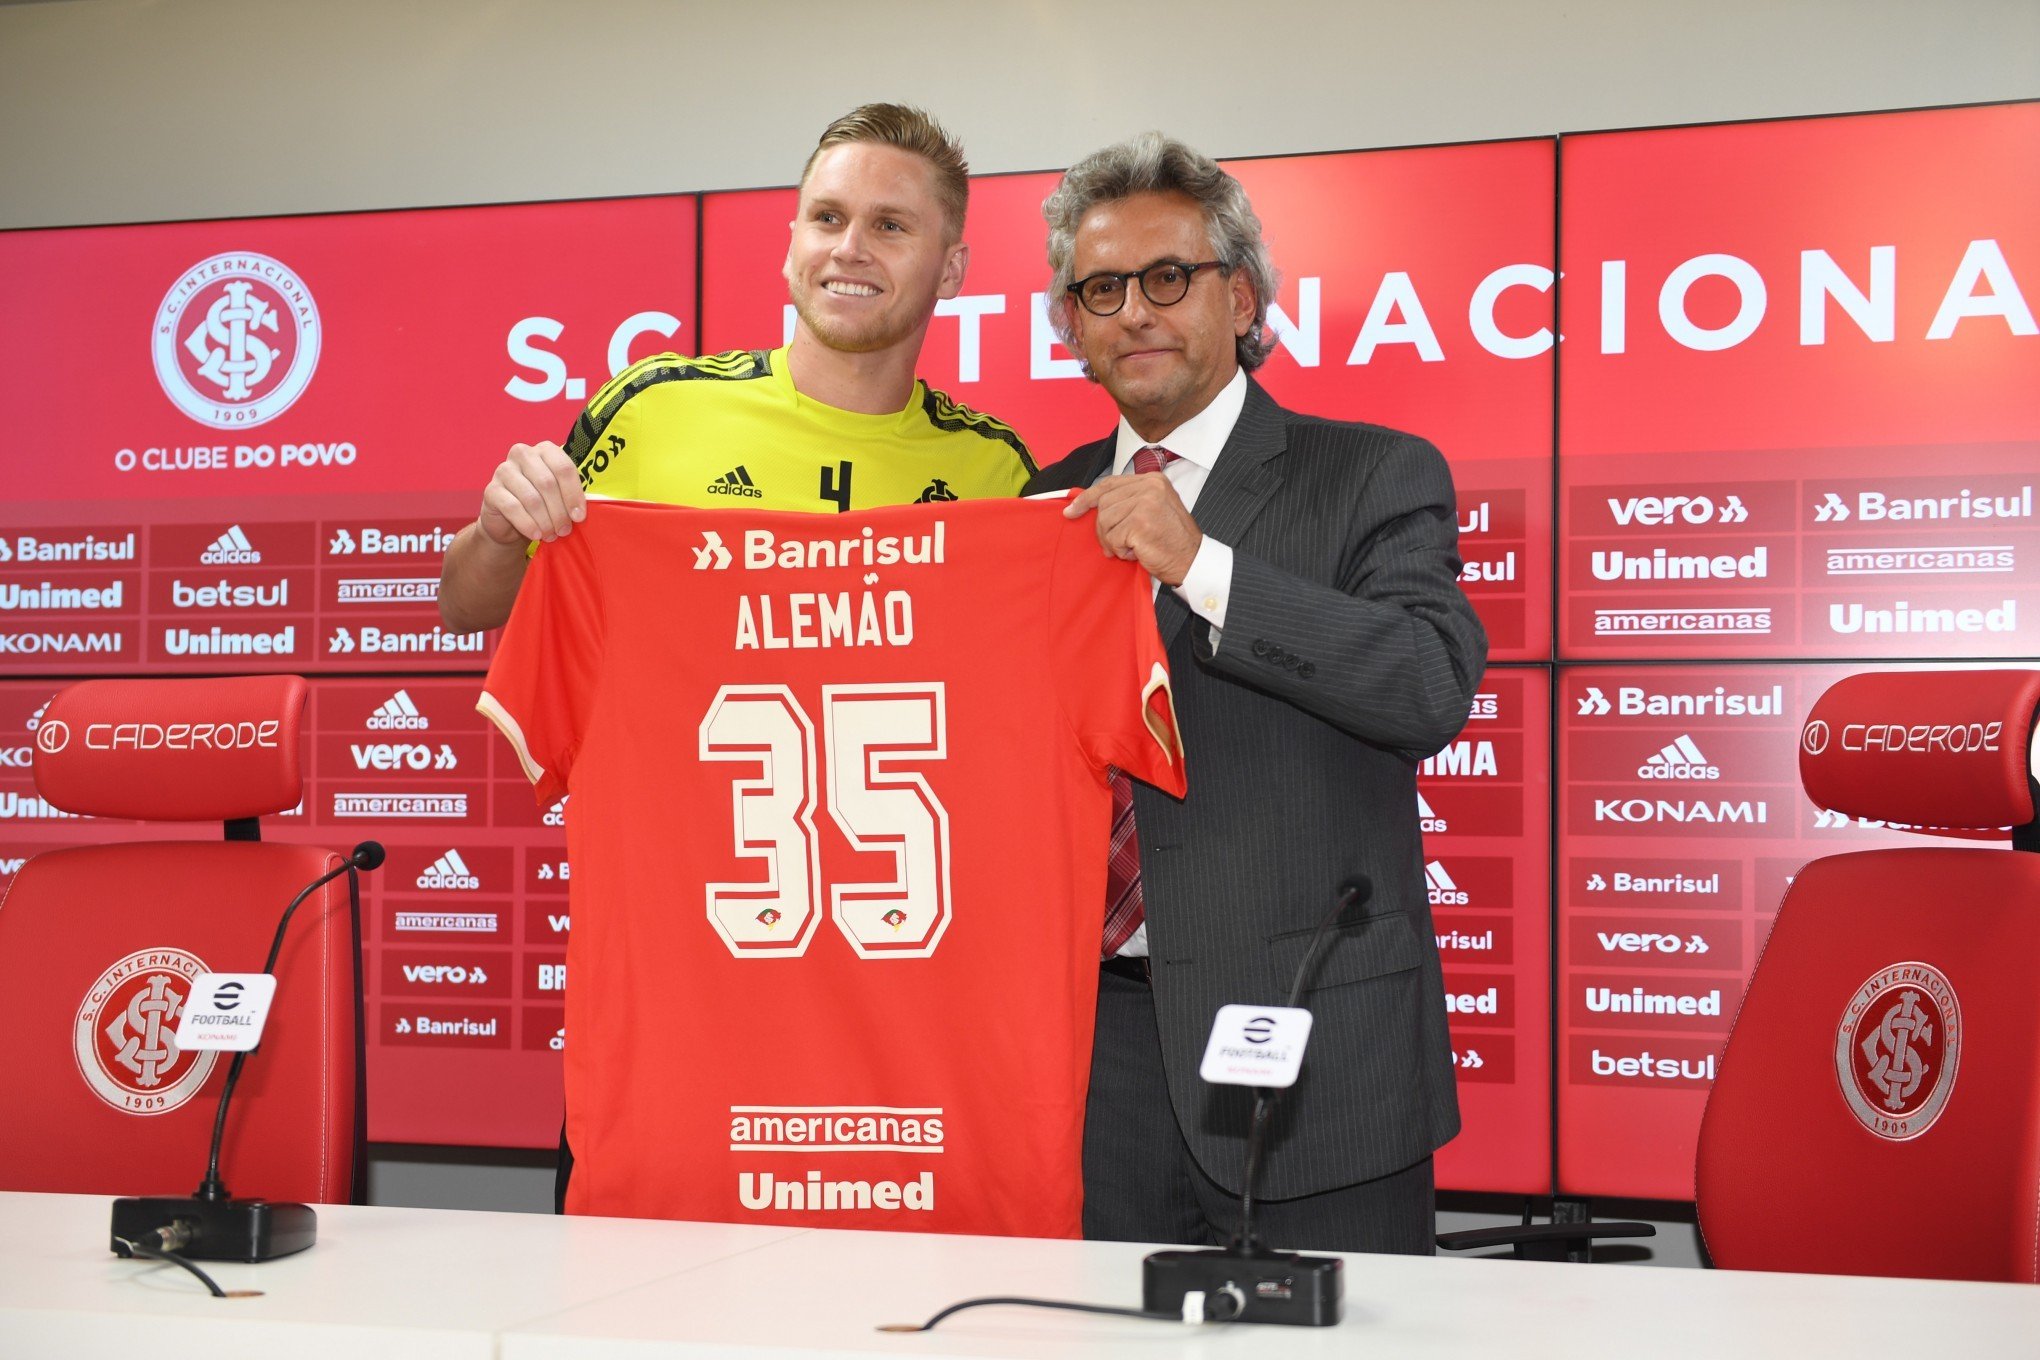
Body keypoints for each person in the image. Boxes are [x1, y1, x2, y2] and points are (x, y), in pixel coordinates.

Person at [1028, 132, 1487, 1254]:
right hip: (1095, 1060)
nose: (1136, 309)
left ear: (1242, 298)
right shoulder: (1036, 507)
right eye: (1101, 288)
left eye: (1170, 278)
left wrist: (1203, 567)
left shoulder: (1375, 473)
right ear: (1069, 328)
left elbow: (1428, 681)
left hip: (1316, 1055)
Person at [439, 102, 1035, 634]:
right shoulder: (654, 406)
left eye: (890, 226)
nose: (850, 248)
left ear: (951, 270)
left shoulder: (997, 471)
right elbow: (468, 611)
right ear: (791, 244)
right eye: (827, 217)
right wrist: (499, 535)